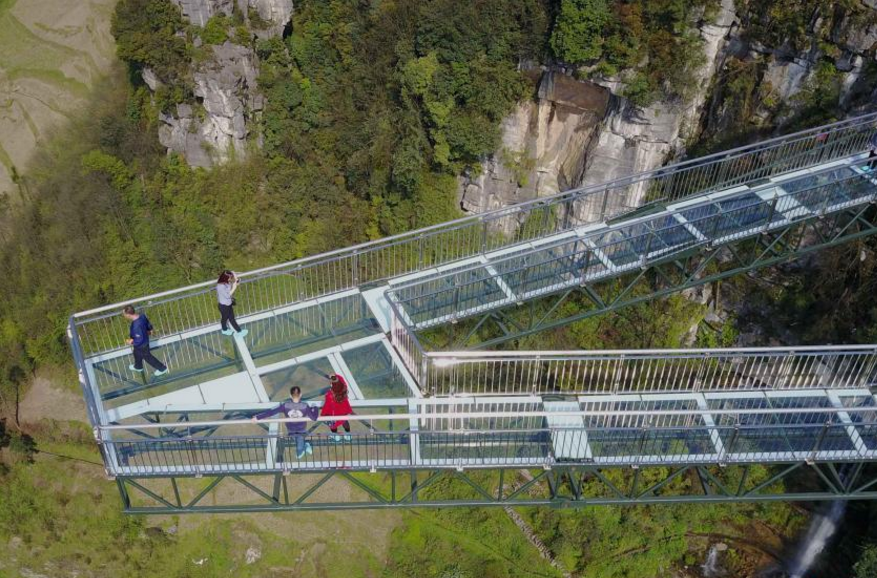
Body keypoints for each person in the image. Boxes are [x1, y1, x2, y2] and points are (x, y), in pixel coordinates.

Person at [252, 386, 318, 459]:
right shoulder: (305, 406)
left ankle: (305, 446)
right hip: (301, 429)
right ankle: (306, 445)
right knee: (299, 446)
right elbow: (314, 418)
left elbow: (271, 412)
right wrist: (315, 408)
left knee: (299, 452)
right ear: (301, 394)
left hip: (291, 430)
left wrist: (257, 417)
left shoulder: (285, 405)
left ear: (290, 395)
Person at [123, 305, 169, 377]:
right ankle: (138, 366)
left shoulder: (136, 326)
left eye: (124, 314)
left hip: (142, 344)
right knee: (136, 352)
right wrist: (150, 330)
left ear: (128, 315)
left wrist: (131, 342)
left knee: (147, 357)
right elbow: (148, 324)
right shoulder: (142, 316)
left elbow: (139, 339)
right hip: (144, 340)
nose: (124, 315)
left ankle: (162, 369)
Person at [321, 373, 353, 442]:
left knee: (333, 424)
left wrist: (323, 415)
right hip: (343, 411)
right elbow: (341, 379)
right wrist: (334, 376)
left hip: (334, 413)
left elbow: (327, 405)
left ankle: (336, 436)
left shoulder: (330, 395)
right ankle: (348, 434)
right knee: (344, 420)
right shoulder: (343, 388)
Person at [217, 270, 248, 337]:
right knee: (227, 319)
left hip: (228, 304)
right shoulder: (220, 286)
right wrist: (234, 287)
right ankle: (235, 331)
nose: (230, 279)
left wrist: (235, 277)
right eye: (230, 277)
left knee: (228, 318)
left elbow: (233, 275)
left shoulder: (225, 282)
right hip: (224, 306)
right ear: (225, 278)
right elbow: (228, 295)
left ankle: (226, 330)